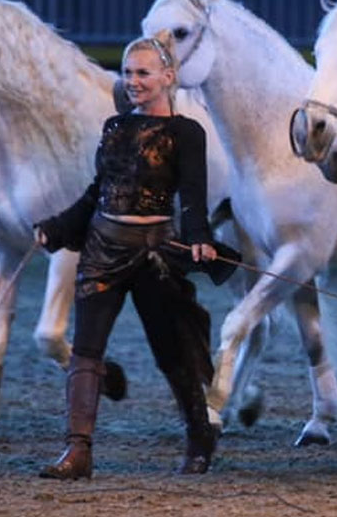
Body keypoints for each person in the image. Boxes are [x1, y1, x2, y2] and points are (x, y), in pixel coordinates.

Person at [35, 29, 236, 479]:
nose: (133, 81)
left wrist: (200, 235)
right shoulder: (115, 127)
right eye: (127, 73)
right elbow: (96, 193)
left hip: (156, 255)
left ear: (168, 76)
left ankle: (198, 433)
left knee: (173, 353)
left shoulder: (186, 132)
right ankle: (78, 451)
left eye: (143, 73)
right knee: (86, 350)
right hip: (101, 251)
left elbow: (191, 194)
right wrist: (58, 228)